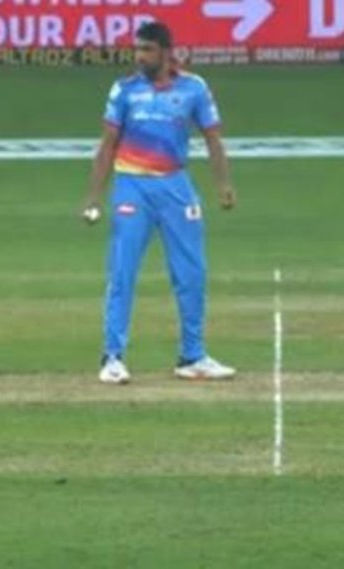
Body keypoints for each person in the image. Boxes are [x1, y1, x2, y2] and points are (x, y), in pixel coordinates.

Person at [82, 22, 237, 384]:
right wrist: (93, 196)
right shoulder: (124, 90)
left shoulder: (193, 88)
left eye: (147, 50)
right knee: (122, 272)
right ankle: (113, 357)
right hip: (132, 187)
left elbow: (213, 139)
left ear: (167, 53)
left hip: (176, 187)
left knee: (191, 274)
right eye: (137, 49)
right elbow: (107, 145)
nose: (140, 56)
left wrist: (223, 184)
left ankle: (192, 356)